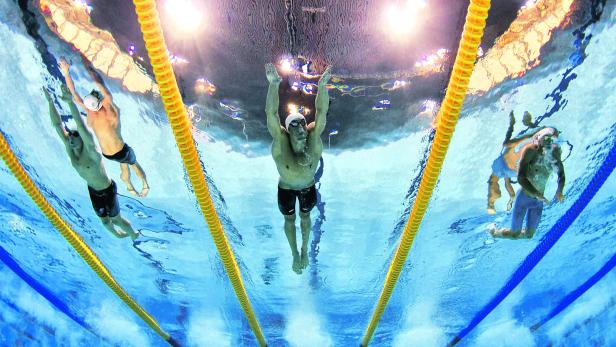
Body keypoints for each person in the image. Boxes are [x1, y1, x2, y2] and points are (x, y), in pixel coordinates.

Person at [44, 85, 139, 240]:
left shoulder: (92, 151)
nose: (70, 140)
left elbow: (81, 127)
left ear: (81, 139)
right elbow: (57, 126)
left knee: (116, 220)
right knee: (106, 224)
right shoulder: (70, 147)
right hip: (93, 191)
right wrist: (50, 102)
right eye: (70, 137)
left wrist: (70, 102)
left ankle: (133, 234)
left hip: (107, 189)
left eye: (74, 137)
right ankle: (119, 236)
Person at [265, 62, 331, 274]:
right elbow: (271, 114)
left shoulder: (313, 138)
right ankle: (295, 254)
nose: (301, 128)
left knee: (305, 218)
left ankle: (304, 249)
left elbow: (321, 112)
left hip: (308, 186)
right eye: (295, 125)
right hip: (285, 187)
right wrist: (274, 84)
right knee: (289, 219)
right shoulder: (281, 141)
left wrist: (321, 86)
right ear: (288, 130)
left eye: (302, 123)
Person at [59, 56, 149, 198]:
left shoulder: (90, 115)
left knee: (123, 165)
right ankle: (144, 184)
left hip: (107, 155)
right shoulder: (112, 114)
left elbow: (73, 94)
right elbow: (102, 87)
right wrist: (89, 68)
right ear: (100, 101)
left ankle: (127, 183)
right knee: (134, 163)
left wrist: (66, 72)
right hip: (122, 150)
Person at [490, 128, 565, 239]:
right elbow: (521, 178)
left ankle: (514, 230)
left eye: (551, 139)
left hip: (538, 201)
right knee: (515, 234)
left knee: (529, 235)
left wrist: (559, 191)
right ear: (538, 140)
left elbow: (561, 175)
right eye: (545, 138)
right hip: (524, 198)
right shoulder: (530, 151)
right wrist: (537, 194)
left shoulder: (555, 152)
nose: (549, 142)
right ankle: (494, 232)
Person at [487, 111, 546, 214]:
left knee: (498, 182)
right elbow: (507, 183)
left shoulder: (522, 152)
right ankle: (518, 123)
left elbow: (507, 182)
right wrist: (512, 198)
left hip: (510, 167)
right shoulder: (514, 152)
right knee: (499, 182)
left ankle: (517, 123)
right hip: (509, 167)